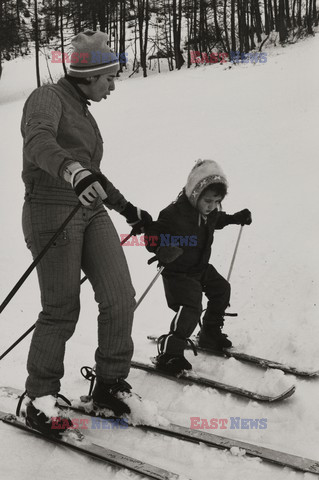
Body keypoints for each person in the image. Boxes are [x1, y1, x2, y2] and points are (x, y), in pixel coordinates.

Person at [21, 30, 152, 436]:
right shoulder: (48, 98)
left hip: (90, 210)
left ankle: (110, 384)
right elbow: (37, 141)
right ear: (90, 74)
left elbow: (91, 173)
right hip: (50, 210)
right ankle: (39, 397)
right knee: (61, 309)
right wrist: (72, 171)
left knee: (119, 296)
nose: (113, 86)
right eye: (109, 78)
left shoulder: (83, 109)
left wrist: (128, 209)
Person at [144, 159, 252, 375]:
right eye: (208, 200)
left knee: (221, 288)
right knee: (191, 307)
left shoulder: (209, 212)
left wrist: (235, 218)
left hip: (199, 267)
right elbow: (151, 237)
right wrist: (161, 248)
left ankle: (210, 333)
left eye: (217, 201)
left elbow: (217, 219)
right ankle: (170, 353)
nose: (212, 206)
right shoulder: (173, 214)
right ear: (195, 194)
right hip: (177, 272)